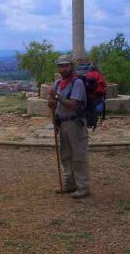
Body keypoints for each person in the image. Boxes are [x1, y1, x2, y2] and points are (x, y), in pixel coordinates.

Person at [48, 54, 90, 199]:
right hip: (63, 123)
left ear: (71, 66)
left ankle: (83, 187)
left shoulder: (77, 83)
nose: (63, 68)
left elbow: (73, 104)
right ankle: (69, 184)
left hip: (76, 123)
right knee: (66, 155)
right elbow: (52, 102)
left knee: (79, 155)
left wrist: (57, 97)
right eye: (60, 66)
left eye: (66, 65)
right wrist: (52, 105)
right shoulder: (58, 83)